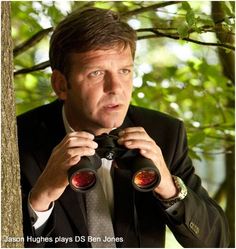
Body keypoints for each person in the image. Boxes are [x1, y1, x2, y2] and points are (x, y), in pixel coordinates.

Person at [17, 7, 230, 248]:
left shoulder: (164, 133)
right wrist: (41, 197)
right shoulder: (17, 140)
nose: (116, 88)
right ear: (61, 85)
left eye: (124, 71)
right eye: (96, 73)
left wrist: (168, 187)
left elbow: (218, 241)